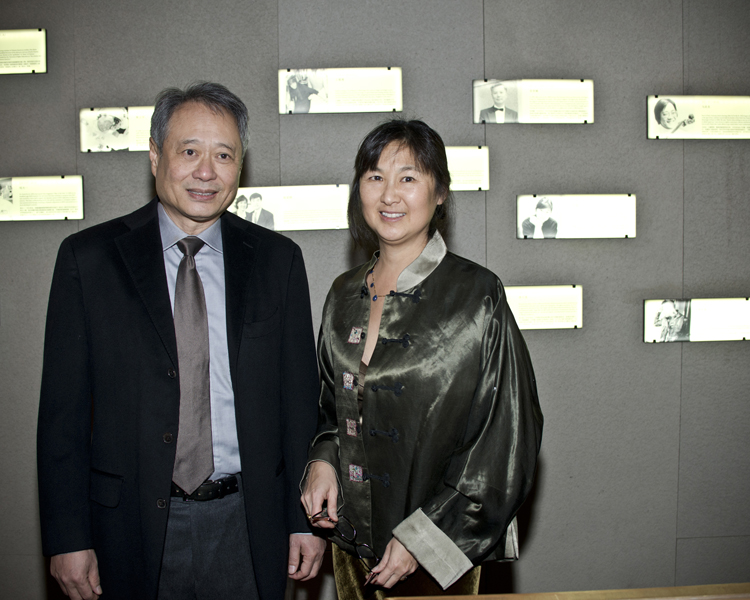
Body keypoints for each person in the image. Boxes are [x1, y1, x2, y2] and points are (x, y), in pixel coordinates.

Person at [37, 82, 325, 600]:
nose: (206, 171)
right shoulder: (90, 260)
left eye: (223, 155)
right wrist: (67, 536)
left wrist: (300, 520)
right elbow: (64, 415)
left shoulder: (278, 261)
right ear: (155, 155)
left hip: (246, 523)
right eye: (189, 151)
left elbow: (298, 405)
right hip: (125, 529)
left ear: (240, 166)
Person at [301, 119, 543, 599]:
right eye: (375, 177)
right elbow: (331, 409)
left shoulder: (477, 296)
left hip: (438, 557)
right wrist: (323, 461)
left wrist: (424, 539)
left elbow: (506, 437)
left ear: (439, 194)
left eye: (408, 178)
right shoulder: (342, 293)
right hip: (352, 547)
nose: (389, 194)